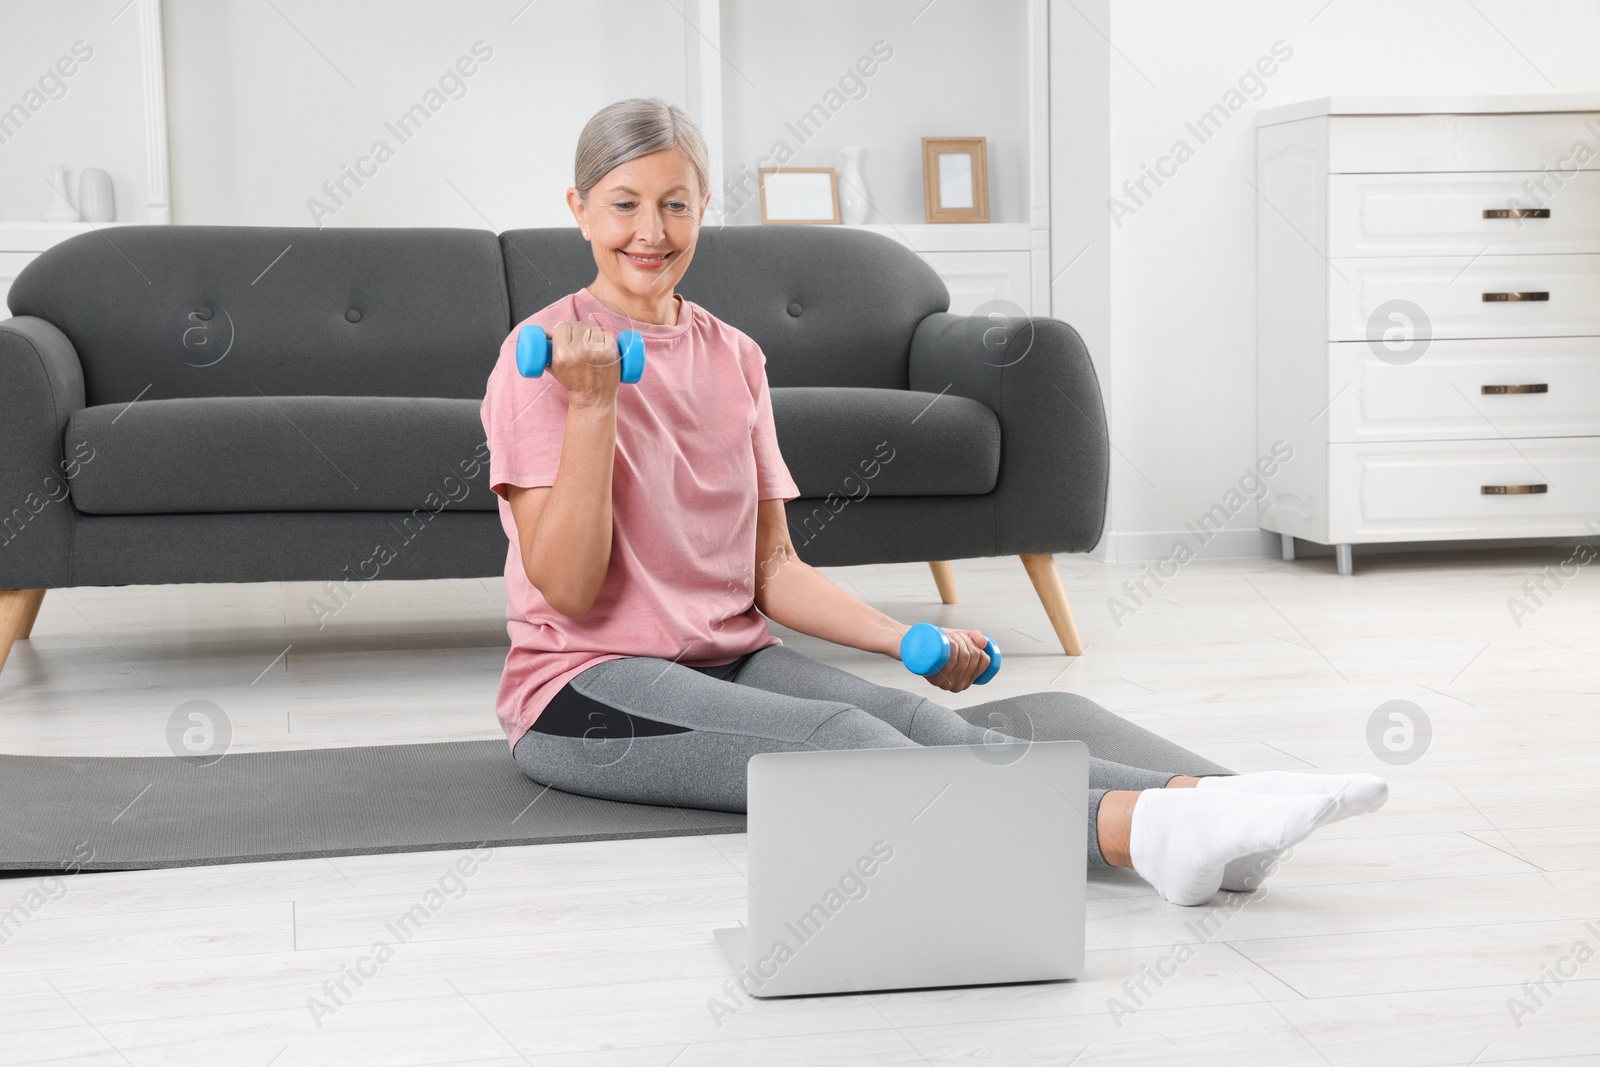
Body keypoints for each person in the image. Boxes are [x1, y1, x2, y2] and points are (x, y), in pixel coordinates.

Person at [479, 98, 1387, 907]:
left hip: (728, 656)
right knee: (840, 736)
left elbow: (772, 566)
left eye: (675, 202)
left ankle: (1214, 804)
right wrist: (596, 405)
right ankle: (1133, 837)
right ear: (580, 211)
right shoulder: (544, 355)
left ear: (703, 209)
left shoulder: (735, 358)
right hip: (584, 692)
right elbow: (564, 587)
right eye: (625, 203)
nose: (652, 229)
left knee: (916, 718)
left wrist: (903, 640)